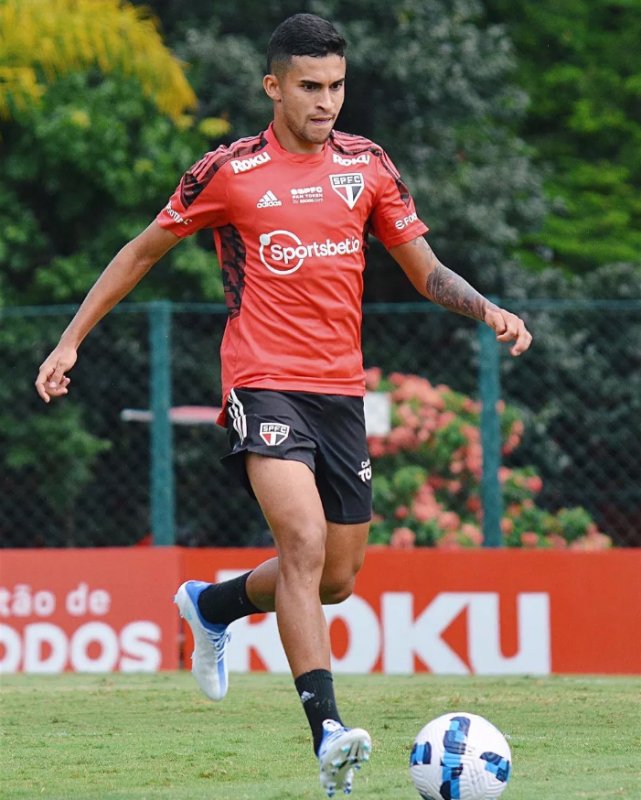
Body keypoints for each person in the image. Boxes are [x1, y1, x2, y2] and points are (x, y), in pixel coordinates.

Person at [35, 12, 532, 797]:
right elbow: (140, 252)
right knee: (300, 541)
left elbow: (425, 270)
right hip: (261, 380)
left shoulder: (367, 166)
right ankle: (328, 732)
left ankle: (213, 605)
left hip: (340, 393)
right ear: (274, 87)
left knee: (335, 577)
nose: (325, 101)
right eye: (309, 86)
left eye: (335, 85)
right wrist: (70, 341)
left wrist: (485, 308)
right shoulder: (229, 171)